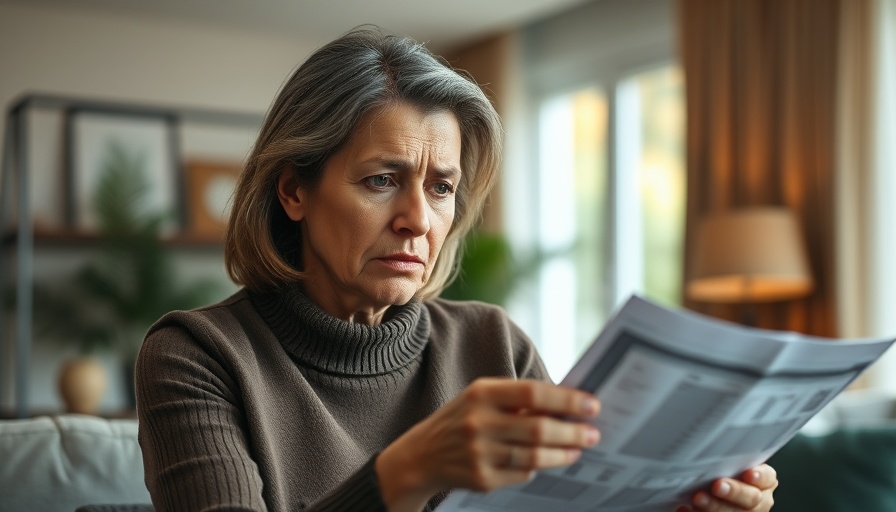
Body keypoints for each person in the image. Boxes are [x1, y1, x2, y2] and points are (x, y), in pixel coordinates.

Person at [135, 27, 777, 512]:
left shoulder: (494, 344)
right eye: (381, 180)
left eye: (441, 188)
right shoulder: (197, 356)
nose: (418, 218)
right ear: (294, 192)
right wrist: (404, 474)